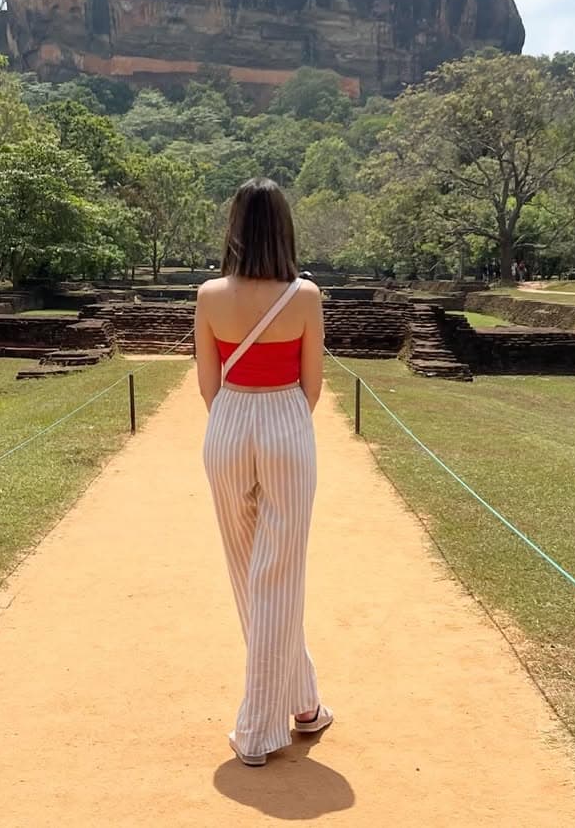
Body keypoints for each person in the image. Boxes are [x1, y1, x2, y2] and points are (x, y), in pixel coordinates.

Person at [195, 177, 333, 767]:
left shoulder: (208, 295)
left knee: (247, 569)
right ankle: (261, 726)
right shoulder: (305, 296)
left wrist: (236, 421)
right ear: (284, 227)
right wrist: (281, 428)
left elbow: (207, 380)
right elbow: (313, 384)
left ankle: (302, 702)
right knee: (279, 574)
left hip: (226, 423)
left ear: (234, 228)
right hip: (285, 418)